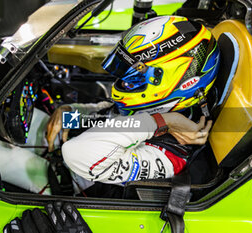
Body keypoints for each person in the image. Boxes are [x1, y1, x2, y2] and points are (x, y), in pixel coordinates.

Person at [47, 16, 220, 184]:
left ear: (174, 80)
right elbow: (107, 116)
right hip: (58, 156)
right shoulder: (147, 112)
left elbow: (76, 152)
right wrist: (69, 114)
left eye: (136, 78)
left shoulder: (173, 155)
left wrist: (161, 121)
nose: (125, 82)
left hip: (65, 186)